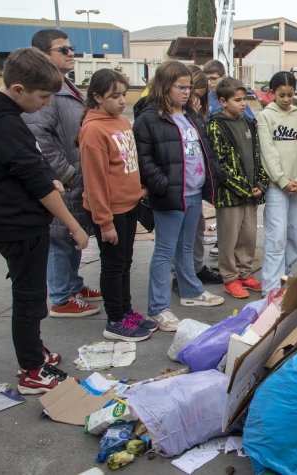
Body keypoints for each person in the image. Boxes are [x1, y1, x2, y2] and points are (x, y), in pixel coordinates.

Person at [0, 48, 90, 393]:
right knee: (30, 296)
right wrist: (74, 225)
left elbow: (20, 169)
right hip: (16, 224)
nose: (47, 104)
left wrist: (47, 178)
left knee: (30, 291)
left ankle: (34, 352)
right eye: (43, 97)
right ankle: (33, 369)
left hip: (5, 217)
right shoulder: (2, 124)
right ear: (18, 89)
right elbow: (35, 182)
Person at [134, 60, 225, 332]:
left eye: (189, 87)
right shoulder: (149, 119)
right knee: (164, 251)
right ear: (164, 86)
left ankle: (191, 291)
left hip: (194, 192)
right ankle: (159, 308)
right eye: (181, 87)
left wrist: (212, 178)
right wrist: (162, 184)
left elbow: (204, 150)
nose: (187, 92)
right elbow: (144, 158)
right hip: (171, 195)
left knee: (187, 247)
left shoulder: (190, 116)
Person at [24, 29, 101, 318]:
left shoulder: (64, 85)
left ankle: (73, 285)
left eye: (72, 48)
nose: (71, 53)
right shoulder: (45, 91)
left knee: (73, 234)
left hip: (75, 179)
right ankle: (60, 296)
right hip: (63, 181)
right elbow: (39, 139)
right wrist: (67, 173)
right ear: (43, 55)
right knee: (60, 235)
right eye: (63, 49)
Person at [78, 69, 157, 341]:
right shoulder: (93, 130)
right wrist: (105, 222)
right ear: (97, 97)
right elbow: (95, 181)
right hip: (110, 212)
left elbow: (127, 164)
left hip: (129, 205)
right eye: (115, 96)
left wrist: (139, 188)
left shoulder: (121, 121)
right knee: (113, 266)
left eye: (124, 94)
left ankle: (126, 312)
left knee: (125, 262)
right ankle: (114, 319)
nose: (122, 100)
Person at [207, 78, 269, 299]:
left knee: (248, 236)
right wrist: (243, 187)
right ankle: (230, 278)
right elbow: (221, 164)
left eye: (245, 99)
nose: (243, 104)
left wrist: (260, 184)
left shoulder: (248, 122)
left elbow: (257, 155)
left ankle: (245, 273)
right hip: (230, 195)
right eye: (237, 100)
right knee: (229, 238)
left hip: (251, 194)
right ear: (223, 101)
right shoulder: (216, 125)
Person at [170, 65, 222, 293]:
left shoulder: (195, 116)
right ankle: (179, 277)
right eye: (193, 95)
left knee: (196, 230)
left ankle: (194, 269)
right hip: (176, 189)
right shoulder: (170, 115)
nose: (196, 100)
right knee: (176, 239)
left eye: (199, 96)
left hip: (194, 186)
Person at [257, 71, 297, 293]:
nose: (286, 99)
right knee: (276, 236)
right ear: (272, 93)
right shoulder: (265, 117)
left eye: (290, 94)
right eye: (281, 95)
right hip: (276, 186)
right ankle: (270, 287)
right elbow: (267, 153)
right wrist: (281, 180)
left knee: (294, 232)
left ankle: (285, 275)